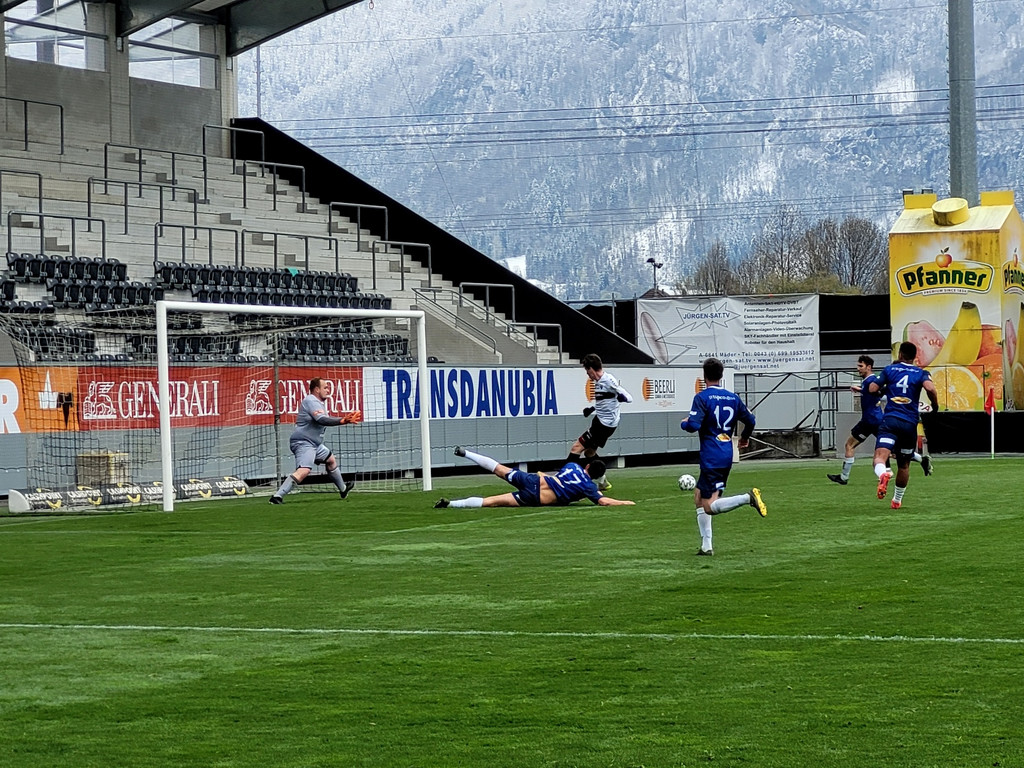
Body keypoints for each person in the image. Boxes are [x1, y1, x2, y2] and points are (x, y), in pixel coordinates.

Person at [680, 357, 767, 556]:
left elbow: (692, 426)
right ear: (721, 376)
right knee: (698, 497)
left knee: (709, 506)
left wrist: (684, 422)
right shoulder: (732, 398)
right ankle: (706, 546)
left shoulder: (702, 398)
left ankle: (748, 498)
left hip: (712, 456)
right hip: (726, 452)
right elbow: (751, 420)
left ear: (704, 376)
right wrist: (744, 438)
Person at [828, 354, 933, 486]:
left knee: (851, 445)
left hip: (870, 420)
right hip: (878, 419)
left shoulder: (872, 380)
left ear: (869, 367)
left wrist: (862, 391)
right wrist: (861, 390)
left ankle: (845, 477)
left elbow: (877, 392)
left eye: (860, 366)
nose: (858, 369)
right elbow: (878, 394)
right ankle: (919, 460)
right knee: (895, 450)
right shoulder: (870, 381)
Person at [434, 446, 635, 508]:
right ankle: (451, 504)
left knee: (498, 468)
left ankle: (466, 453)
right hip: (536, 497)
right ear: (597, 476)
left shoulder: (573, 465)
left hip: (535, 481)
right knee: (493, 501)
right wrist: (625, 502)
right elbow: (604, 501)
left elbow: (562, 478)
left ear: (588, 465)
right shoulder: (589, 488)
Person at [867, 341, 939, 509]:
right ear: (915, 357)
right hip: (909, 423)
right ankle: (897, 501)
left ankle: (883, 474)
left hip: (890, 420)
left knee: (880, 456)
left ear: (899, 355)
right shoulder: (921, 373)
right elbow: (931, 389)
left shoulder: (890, 370)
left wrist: (882, 387)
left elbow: (872, 389)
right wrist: (935, 406)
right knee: (904, 464)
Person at [269, 377, 360, 504]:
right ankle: (277, 497)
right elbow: (321, 420)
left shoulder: (317, 403)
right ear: (317, 389)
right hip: (304, 442)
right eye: (325, 387)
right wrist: (342, 420)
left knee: (331, 460)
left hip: (314, 444)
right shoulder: (311, 400)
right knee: (304, 470)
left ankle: (343, 489)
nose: (328, 390)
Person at [566, 353, 633, 490]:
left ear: (591, 369)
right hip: (600, 421)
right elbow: (604, 401)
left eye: (587, 371)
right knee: (589, 452)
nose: (587, 374)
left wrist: (622, 397)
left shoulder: (609, 380)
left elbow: (629, 397)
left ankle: (565, 480)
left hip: (604, 425)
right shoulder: (598, 382)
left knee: (576, 448)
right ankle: (603, 482)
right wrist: (591, 409)